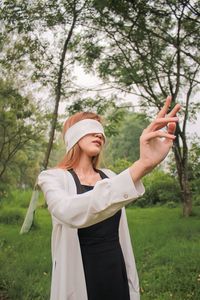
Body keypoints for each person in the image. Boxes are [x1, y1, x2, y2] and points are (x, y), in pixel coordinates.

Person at [37, 96, 180, 300]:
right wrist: (141, 166)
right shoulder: (52, 177)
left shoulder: (110, 176)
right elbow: (68, 211)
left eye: (100, 130)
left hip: (115, 271)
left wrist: (145, 165)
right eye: (89, 127)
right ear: (72, 136)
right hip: (82, 277)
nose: (98, 133)